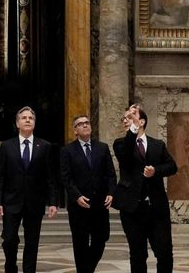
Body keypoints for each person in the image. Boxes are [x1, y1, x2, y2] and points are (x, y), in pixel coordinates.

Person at [0, 106, 58, 273]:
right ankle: (10, 267)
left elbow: (50, 177)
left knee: (32, 242)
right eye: (24, 118)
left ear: (34, 124)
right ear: (17, 123)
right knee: (9, 239)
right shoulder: (7, 146)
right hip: (11, 201)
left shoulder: (44, 146)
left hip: (35, 201)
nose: (28, 120)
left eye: (31, 118)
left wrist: (53, 202)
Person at [113, 104, 178, 273]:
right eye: (125, 118)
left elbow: (172, 166)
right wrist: (132, 128)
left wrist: (156, 171)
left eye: (131, 116)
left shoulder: (158, 144)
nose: (126, 120)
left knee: (164, 253)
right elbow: (126, 156)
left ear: (142, 121)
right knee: (138, 254)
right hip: (132, 209)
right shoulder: (120, 144)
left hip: (157, 209)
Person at [60, 115, 116, 273]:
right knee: (80, 243)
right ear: (75, 130)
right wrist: (76, 196)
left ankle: (87, 269)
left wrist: (111, 193)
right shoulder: (67, 151)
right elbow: (66, 178)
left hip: (99, 204)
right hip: (79, 205)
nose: (85, 125)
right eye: (80, 124)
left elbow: (111, 174)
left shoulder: (102, 148)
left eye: (87, 123)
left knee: (102, 238)